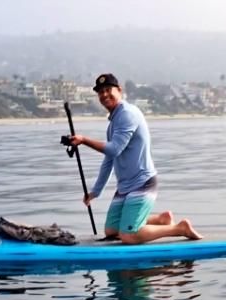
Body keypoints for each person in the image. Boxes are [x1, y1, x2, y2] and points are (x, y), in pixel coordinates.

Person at [68, 73, 202, 244]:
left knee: (128, 236)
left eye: (108, 90)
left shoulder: (127, 114)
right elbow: (109, 160)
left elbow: (114, 149)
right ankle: (161, 220)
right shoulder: (113, 123)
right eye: (100, 92)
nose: (104, 95)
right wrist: (95, 192)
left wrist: (84, 140)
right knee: (111, 231)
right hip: (125, 187)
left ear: (119, 90)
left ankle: (180, 228)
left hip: (142, 183)